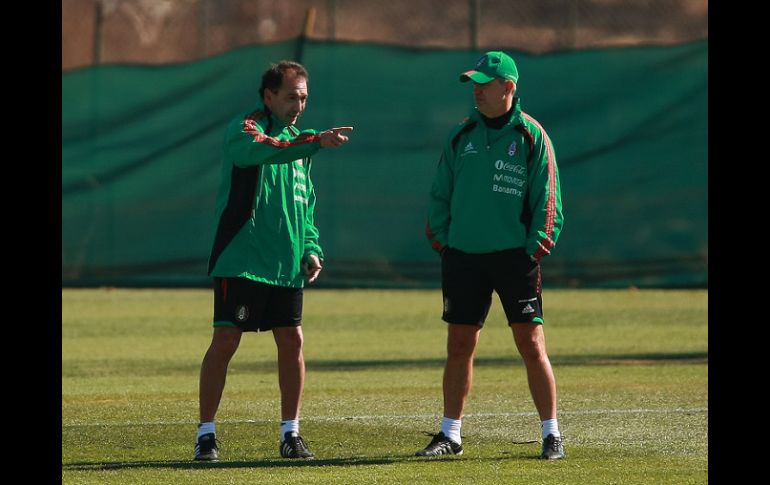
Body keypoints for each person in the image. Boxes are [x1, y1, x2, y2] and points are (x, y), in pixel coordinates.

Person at [194, 60, 353, 461]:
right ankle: (206, 434)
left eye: (303, 97)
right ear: (269, 96)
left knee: (292, 340)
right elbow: (269, 150)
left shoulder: (301, 143)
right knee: (226, 340)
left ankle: (290, 433)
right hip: (243, 259)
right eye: (290, 97)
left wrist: (310, 247)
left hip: (285, 265)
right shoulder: (246, 129)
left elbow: (305, 203)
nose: (298, 105)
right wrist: (314, 141)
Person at [419, 51, 565, 460]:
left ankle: (551, 434)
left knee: (531, 342)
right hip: (464, 256)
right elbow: (439, 193)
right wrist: (445, 242)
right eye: (475, 85)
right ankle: (451, 435)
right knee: (459, 344)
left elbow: (548, 199)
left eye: (485, 84)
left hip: (514, 257)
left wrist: (534, 247)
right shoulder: (461, 136)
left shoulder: (531, 136)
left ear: (509, 88)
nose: (477, 92)